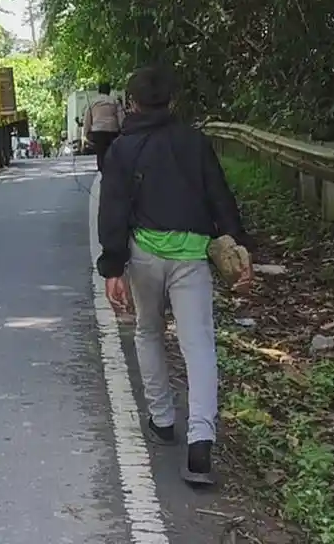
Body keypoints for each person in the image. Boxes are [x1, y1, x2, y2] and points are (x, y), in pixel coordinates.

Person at [96, 64, 251, 485]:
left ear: (132, 104)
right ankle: (200, 444)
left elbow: (112, 211)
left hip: (144, 254)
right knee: (198, 344)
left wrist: (113, 267)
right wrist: (236, 242)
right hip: (193, 256)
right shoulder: (194, 141)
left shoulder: (123, 150)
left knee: (147, 331)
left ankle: (162, 420)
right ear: (172, 102)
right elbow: (219, 194)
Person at [81, 82, 124, 172]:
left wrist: (84, 135)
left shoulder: (92, 102)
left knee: (100, 153)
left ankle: (101, 169)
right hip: (112, 131)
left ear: (99, 91)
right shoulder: (115, 101)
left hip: (98, 131)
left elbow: (87, 120)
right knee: (112, 152)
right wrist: (122, 130)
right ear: (109, 91)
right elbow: (121, 118)